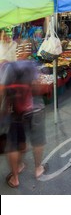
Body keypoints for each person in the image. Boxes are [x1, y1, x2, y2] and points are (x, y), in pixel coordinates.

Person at [1, 60, 46, 188]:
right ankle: (38, 169)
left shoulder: (6, 66)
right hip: (35, 107)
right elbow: (37, 87)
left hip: (14, 109)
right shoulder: (31, 65)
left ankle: (15, 177)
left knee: (14, 143)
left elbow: (1, 90)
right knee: (37, 139)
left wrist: (2, 111)